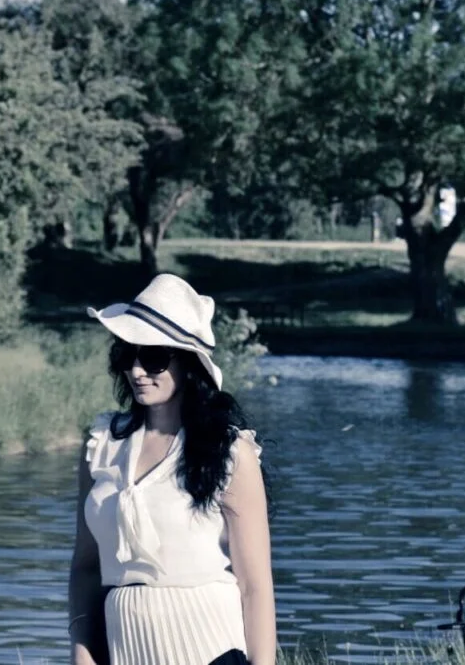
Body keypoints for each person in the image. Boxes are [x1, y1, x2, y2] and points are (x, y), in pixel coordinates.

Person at [68, 273, 276, 665]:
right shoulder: (100, 445)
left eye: (154, 358)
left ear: (189, 364)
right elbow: (85, 566)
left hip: (212, 652)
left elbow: (255, 586)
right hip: (123, 652)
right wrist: (81, 650)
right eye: (127, 355)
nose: (136, 370)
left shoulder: (230, 452)